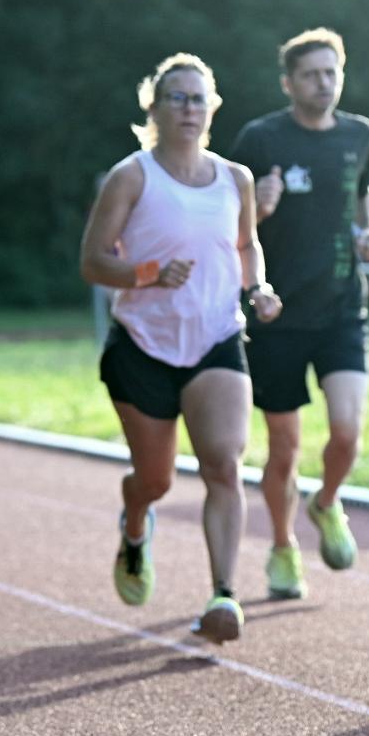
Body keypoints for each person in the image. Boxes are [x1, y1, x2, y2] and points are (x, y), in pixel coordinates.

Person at [81, 53, 282, 644]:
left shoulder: (236, 179)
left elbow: (246, 245)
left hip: (217, 337)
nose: (189, 109)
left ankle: (224, 594)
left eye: (198, 99)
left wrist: (258, 289)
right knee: (156, 480)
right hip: (143, 346)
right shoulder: (132, 176)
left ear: (211, 108)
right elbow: (92, 261)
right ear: (154, 108)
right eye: (177, 98)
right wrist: (146, 273)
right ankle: (135, 521)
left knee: (223, 464)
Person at [230, 28, 369, 600]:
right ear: (288, 83)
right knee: (285, 447)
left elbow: (364, 192)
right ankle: (282, 546)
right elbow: (227, 220)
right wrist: (260, 210)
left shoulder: (359, 133)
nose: (324, 83)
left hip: (342, 307)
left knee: (348, 432)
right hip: (277, 315)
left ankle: (326, 502)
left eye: (331, 72)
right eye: (312, 74)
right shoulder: (260, 138)